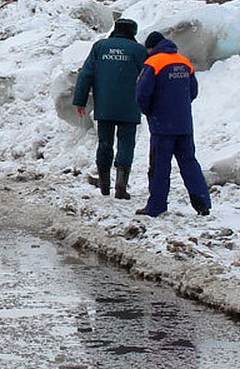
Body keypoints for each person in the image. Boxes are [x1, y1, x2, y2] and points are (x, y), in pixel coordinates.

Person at [135, 31, 212, 218]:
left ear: (151, 48)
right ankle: (202, 203)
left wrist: (150, 111)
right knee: (189, 162)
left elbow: (142, 94)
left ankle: (156, 206)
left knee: (160, 166)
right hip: (184, 123)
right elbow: (193, 91)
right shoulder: (184, 62)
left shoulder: (153, 63)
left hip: (162, 125)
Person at [72, 17, 147, 199]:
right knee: (126, 143)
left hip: (105, 104)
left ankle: (104, 184)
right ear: (133, 32)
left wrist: (80, 100)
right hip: (129, 104)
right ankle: (121, 185)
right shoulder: (138, 50)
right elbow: (147, 77)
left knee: (105, 143)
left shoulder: (100, 47)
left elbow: (86, 74)